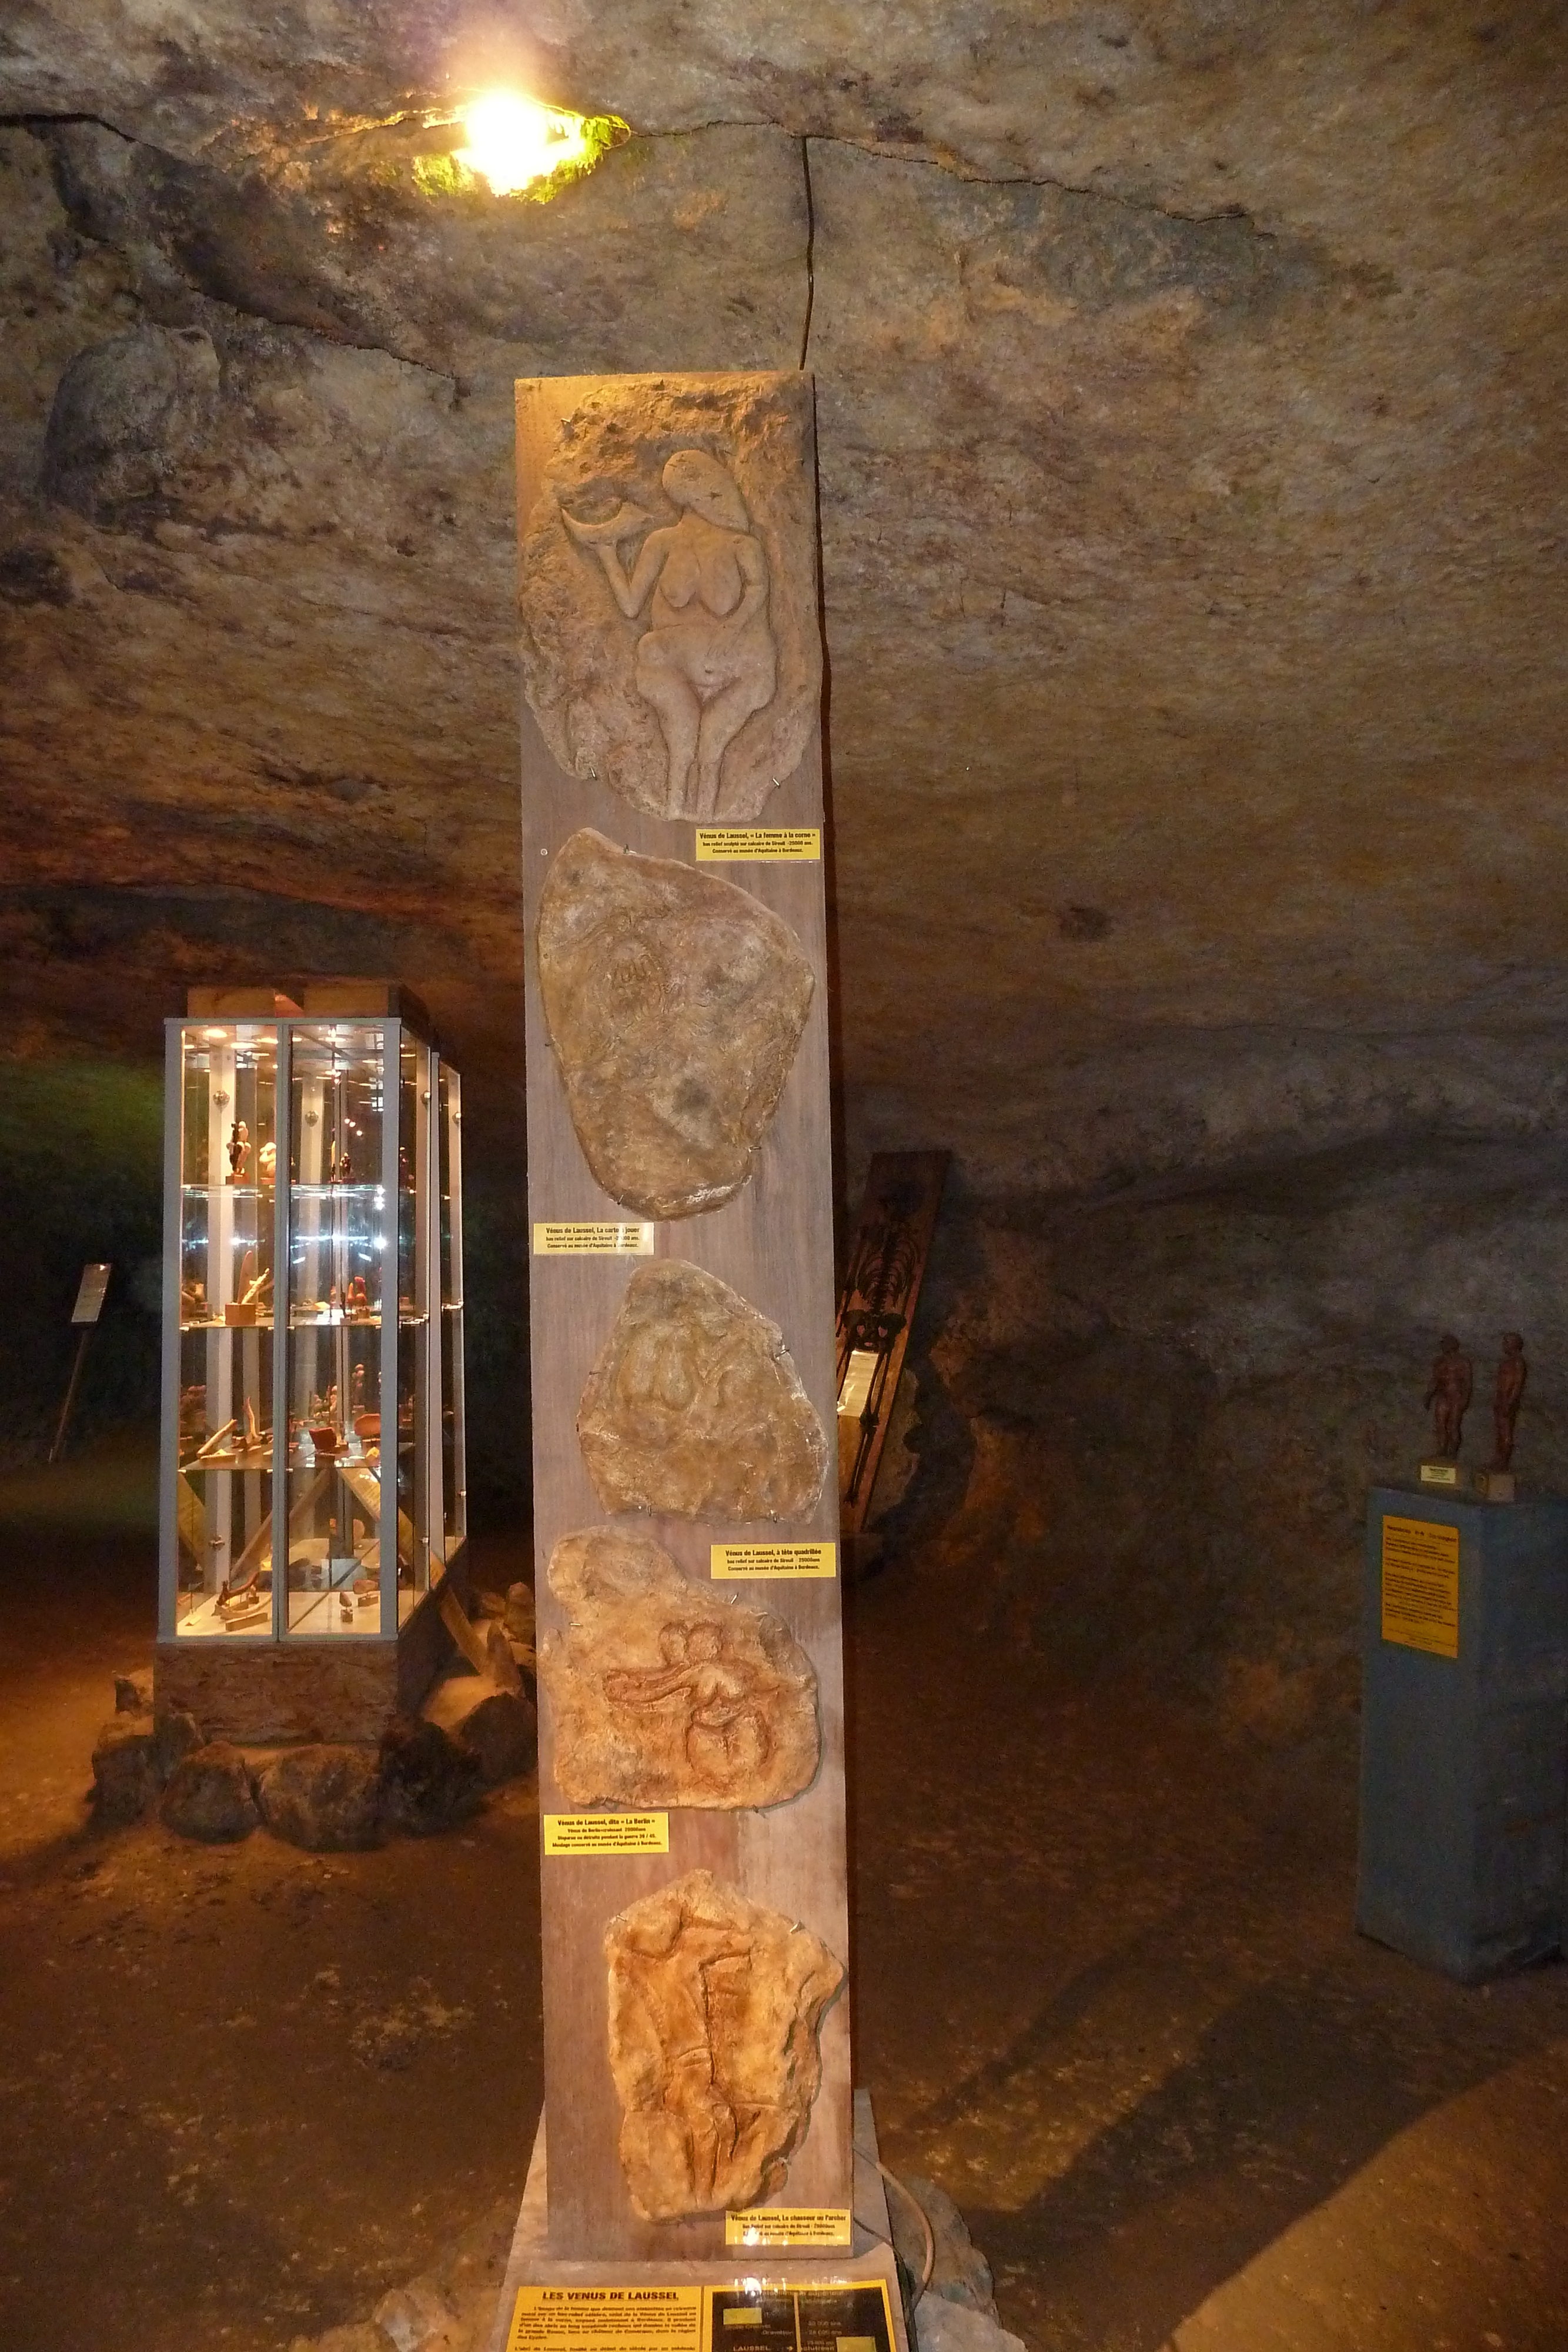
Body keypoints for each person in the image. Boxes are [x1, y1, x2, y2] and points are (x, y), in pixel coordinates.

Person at [563, 450, 776, 818]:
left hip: (739, 670)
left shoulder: (743, 546)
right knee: (682, 745)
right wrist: (608, 553)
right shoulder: (662, 542)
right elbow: (630, 606)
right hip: (675, 666)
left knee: (711, 748)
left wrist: (733, 628)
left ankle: (707, 819)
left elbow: (758, 589)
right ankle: (676, 812)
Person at [1425, 1333, 1473, 1458]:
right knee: (1440, 1424)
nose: (1444, 1346)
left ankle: (1452, 1452)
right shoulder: (1439, 1361)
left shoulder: (1463, 1362)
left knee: (1453, 1425)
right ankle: (1441, 1449)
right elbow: (1435, 1380)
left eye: (1446, 1343)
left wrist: (1465, 1399)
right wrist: (1429, 1395)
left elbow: (1467, 1382)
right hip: (1443, 1396)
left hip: (1456, 1397)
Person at [1493, 1332, 1527, 1469]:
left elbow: (1518, 1384)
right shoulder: (1507, 1361)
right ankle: (1498, 1458)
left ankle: (1504, 1461)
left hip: (1508, 1401)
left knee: (1506, 1432)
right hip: (1501, 1399)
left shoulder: (1518, 1362)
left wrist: (1510, 1402)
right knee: (1500, 1432)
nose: (1504, 1345)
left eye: (1507, 1342)